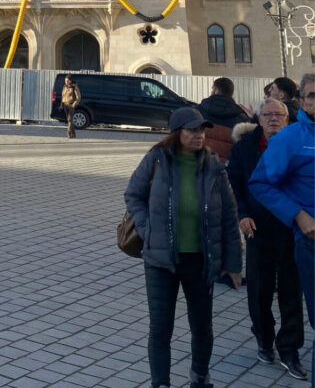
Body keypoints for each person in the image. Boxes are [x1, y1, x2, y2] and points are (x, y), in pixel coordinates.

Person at [125, 106, 242, 388]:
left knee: (202, 325)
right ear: (177, 133)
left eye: (202, 130)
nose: (199, 135)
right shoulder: (156, 160)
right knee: (161, 328)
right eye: (192, 130)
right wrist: (147, 229)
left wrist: (234, 265)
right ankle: (161, 383)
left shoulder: (214, 166)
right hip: (160, 260)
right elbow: (133, 195)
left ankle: (200, 376)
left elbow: (229, 217)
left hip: (201, 260)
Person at [227, 100, 305, 377]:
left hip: (292, 230)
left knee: (291, 292)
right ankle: (263, 338)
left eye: (278, 114)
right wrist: (242, 215)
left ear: (287, 119)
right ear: (258, 119)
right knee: (258, 292)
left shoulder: (298, 143)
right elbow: (234, 184)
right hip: (257, 230)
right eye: (267, 114)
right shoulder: (244, 148)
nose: (273, 119)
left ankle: (290, 349)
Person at [249, 74, 315, 384]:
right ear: (302, 102)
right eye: (312, 95)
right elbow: (258, 183)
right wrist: (299, 216)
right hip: (305, 239)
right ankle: (278, 345)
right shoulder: (290, 139)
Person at [197, 77, 248, 162]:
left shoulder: (198, 112)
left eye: (212, 88)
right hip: (227, 168)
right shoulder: (241, 118)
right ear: (231, 93)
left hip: (202, 163)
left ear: (216, 90)